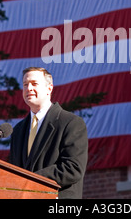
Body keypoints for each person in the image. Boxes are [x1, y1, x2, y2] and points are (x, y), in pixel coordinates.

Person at [9, 67, 88, 199]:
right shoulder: (18, 130)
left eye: (34, 84)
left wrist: (31, 181)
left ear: (49, 88)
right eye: (25, 85)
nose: (28, 88)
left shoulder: (70, 123)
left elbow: (73, 168)